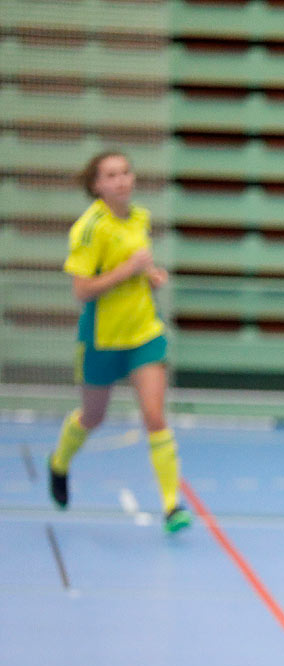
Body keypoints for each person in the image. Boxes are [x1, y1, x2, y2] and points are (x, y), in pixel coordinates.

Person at [48, 151, 189, 532]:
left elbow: (139, 269)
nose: (122, 180)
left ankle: (172, 505)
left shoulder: (140, 218)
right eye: (111, 175)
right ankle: (59, 463)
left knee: (155, 416)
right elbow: (82, 290)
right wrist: (126, 270)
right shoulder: (89, 228)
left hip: (143, 331)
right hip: (102, 338)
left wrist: (150, 275)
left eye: (126, 171)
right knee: (93, 416)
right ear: (96, 185)